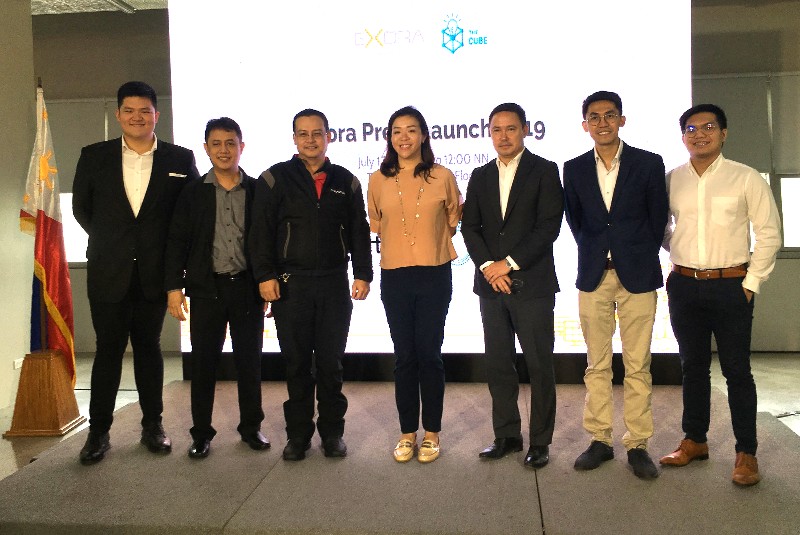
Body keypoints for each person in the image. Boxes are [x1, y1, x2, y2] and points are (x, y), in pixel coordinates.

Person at [72, 81, 200, 464]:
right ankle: (98, 433)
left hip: (155, 273)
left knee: (149, 349)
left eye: (145, 111)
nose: (137, 117)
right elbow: (82, 209)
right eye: (129, 110)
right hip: (108, 271)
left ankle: (153, 426)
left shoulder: (179, 159)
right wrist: (114, 241)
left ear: (156, 115)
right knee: (108, 351)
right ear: (118, 114)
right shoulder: (94, 156)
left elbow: (190, 212)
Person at [660, 104, 781, 486]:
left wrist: (751, 282)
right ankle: (695, 440)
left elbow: (769, 233)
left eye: (708, 127)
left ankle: (746, 452)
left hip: (732, 285)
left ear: (723, 133)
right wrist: (679, 251)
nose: (700, 134)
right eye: (691, 129)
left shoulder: (745, 178)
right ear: (683, 137)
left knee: (736, 371)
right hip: (683, 285)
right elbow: (661, 227)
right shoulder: (672, 179)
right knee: (692, 367)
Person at [249, 109, 372, 461]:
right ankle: (298, 435)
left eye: (317, 133)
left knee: (331, 364)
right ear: (294, 139)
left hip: (333, 284)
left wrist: (363, 273)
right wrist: (265, 276)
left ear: (328, 137)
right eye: (303, 134)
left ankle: (332, 433)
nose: (310, 140)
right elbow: (260, 232)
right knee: (297, 364)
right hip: (291, 286)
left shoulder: (346, 181)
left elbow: (359, 230)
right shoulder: (274, 178)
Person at [563, 91, 668, 480]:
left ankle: (637, 444)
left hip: (638, 275)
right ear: (585, 125)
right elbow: (576, 221)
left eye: (610, 115)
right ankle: (600, 440)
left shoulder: (648, 163)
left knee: (638, 364)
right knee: (597, 364)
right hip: (594, 275)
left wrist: (633, 253)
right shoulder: (574, 168)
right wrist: (599, 252)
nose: (602, 123)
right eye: (594, 117)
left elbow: (657, 219)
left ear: (622, 120)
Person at [461, 102, 563, 469]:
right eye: (497, 129)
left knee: (539, 365)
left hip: (532, 285)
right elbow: (470, 227)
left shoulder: (545, 170)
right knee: (498, 364)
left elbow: (548, 226)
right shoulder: (480, 175)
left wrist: (509, 263)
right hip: (491, 286)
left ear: (525, 130)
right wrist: (490, 267)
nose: (503, 136)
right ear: (489, 133)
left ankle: (540, 441)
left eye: (511, 128)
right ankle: (506, 435)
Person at [164, 117, 268, 459]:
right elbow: (176, 242)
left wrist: (266, 280)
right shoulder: (192, 193)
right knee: (204, 364)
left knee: (249, 363)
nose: (224, 150)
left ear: (242, 146)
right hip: (206, 290)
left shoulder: (257, 190)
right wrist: (174, 287)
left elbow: (266, 240)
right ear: (206, 148)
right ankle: (201, 434)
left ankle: (251, 428)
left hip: (246, 289)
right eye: (217, 144)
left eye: (230, 143)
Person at [367, 106, 461, 464]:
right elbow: (376, 222)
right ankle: (407, 432)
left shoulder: (443, 176)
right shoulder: (377, 179)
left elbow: (452, 221)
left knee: (430, 354)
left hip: (434, 273)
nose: (403, 137)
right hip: (395, 275)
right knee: (404, 356)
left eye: (411, 130)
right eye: (396, 131)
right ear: (390, 138)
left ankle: (432, 432)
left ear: (423, 135)